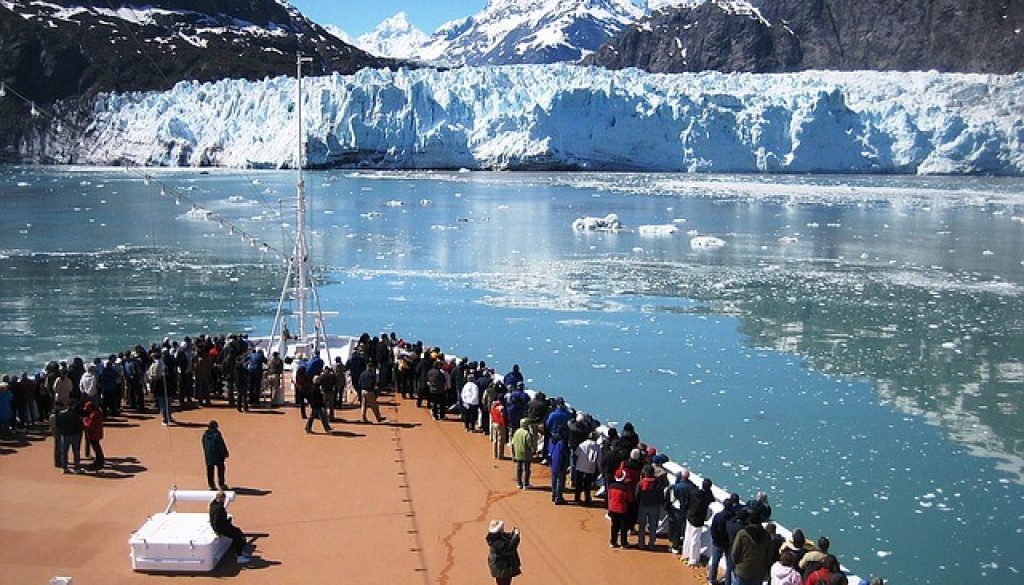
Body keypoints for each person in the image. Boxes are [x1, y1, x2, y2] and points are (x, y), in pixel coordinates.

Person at [731, 511, 774, 585]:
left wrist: (736, 564)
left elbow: (735, 552)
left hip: (742, 569)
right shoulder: (767, 536)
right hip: (758, 572)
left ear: (749, 520)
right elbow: (769, 556)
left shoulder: (742, 533)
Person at [209, 491, 249, 565]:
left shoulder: (213, 504)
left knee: (237, 531)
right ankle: (239, 556)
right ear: (222, 498)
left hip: (218, 526)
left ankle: (239, 551)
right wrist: (228, 521)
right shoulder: (220, 508)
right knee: (237, 535)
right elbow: (220, 521)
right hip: (220, 528)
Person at [683, 477, 715, 565]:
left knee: (688, 536)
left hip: (690, 516)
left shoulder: (694, 492)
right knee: (695, 539)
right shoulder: (707, 496)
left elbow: (687, 502)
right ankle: (693, 560)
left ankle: (685, 554)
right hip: (698, 520)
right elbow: (712, 499)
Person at [635, 463, 666, 549]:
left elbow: (637, 495)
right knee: (653, 526)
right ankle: (651, 544)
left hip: (643, 506)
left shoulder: (641, 483)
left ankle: (641, 544)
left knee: (642, 525)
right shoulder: (657, 483)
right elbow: (661, 495)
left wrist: (639, 503)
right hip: (654, 506)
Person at [485, 519, 522, 585]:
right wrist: (516, 536)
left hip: (504, 567)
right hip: (501, 569)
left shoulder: (497, 536)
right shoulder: (497, 543)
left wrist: (513, 533)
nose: (503, 528)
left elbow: (508, 537)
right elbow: (509, 548)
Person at [607, 469, 634, 548]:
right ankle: (623, 543)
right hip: (622, 509)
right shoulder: (625, 488)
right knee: (623, 527)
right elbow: (630, 499)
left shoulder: (611, 486)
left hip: (612, 508)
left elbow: (609, 497)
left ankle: (613, 541)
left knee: (614, 526)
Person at [572, 431, 600, 506]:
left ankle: (577, 498)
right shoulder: (597, 446)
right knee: (587, 485)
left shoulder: (583, 444)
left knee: (578, 484)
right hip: (590, 467)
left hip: (580, 466)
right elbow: (599, 459)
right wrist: (599, 468)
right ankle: (587, 499)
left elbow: (576, 453)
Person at [202, 420, 230, 491]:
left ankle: (211, 486)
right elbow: (221, 445)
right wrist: (225, 453)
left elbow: (204, 446)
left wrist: (206, 454)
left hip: (209, 456)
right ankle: (221, 484)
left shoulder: (204, 435)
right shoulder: (217, 434)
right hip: (218, 456)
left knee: (210, 471)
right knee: (221, 470)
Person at [510, 419, 535, 490]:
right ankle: (526, 484)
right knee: (527, 469)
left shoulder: (517, 432)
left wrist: (513, 453)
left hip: (518, 453)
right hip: (526, 453)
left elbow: (512, 443)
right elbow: (530, 444)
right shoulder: (527, 433)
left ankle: (519, 483)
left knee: (519, 468)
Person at [82, 400, 105, 470]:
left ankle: (99, 461)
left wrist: (84, 421)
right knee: (97, 447)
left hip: (93, 434)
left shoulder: (93, 415)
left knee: (96, 448)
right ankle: (99, 461)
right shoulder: (97, 413)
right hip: (96, 433)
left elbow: (89, 425)